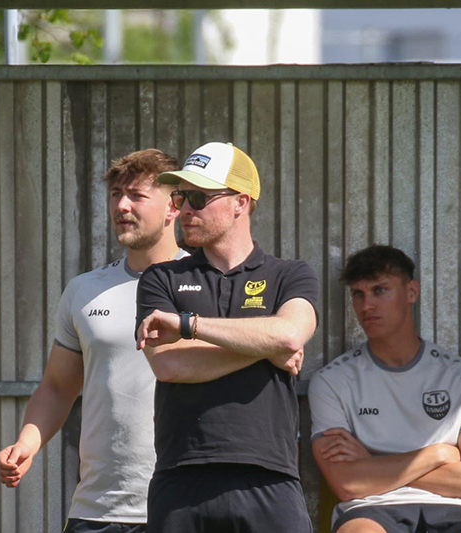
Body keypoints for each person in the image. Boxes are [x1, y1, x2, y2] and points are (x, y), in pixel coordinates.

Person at [0, 149, 186, 533]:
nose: (122, 206)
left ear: (174, 206)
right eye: (116, 194)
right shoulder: (84, 290)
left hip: (182, 508)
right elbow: (57, 387)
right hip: (97, 510)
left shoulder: (207, 287)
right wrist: (26, 444)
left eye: (137, 195)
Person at [135, 141, 319, 533]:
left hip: (269, 477)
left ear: (241, 202)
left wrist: (189, 326)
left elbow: (290, 334)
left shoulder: (290, 274)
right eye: (182, 196)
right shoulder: (161, 277)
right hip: (181, 478)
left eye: (199, 197)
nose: (185, 209)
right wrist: (264, 347)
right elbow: (169, 364)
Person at [309, 245, 461, 533]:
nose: (366, 306)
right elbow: (346, 483)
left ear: (411, 292)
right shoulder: (332, 381)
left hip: (457, 508)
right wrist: (436, 455)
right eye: (358, 294)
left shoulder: (460, 376)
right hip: (372, 509)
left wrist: (372, 465)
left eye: (379, 290)